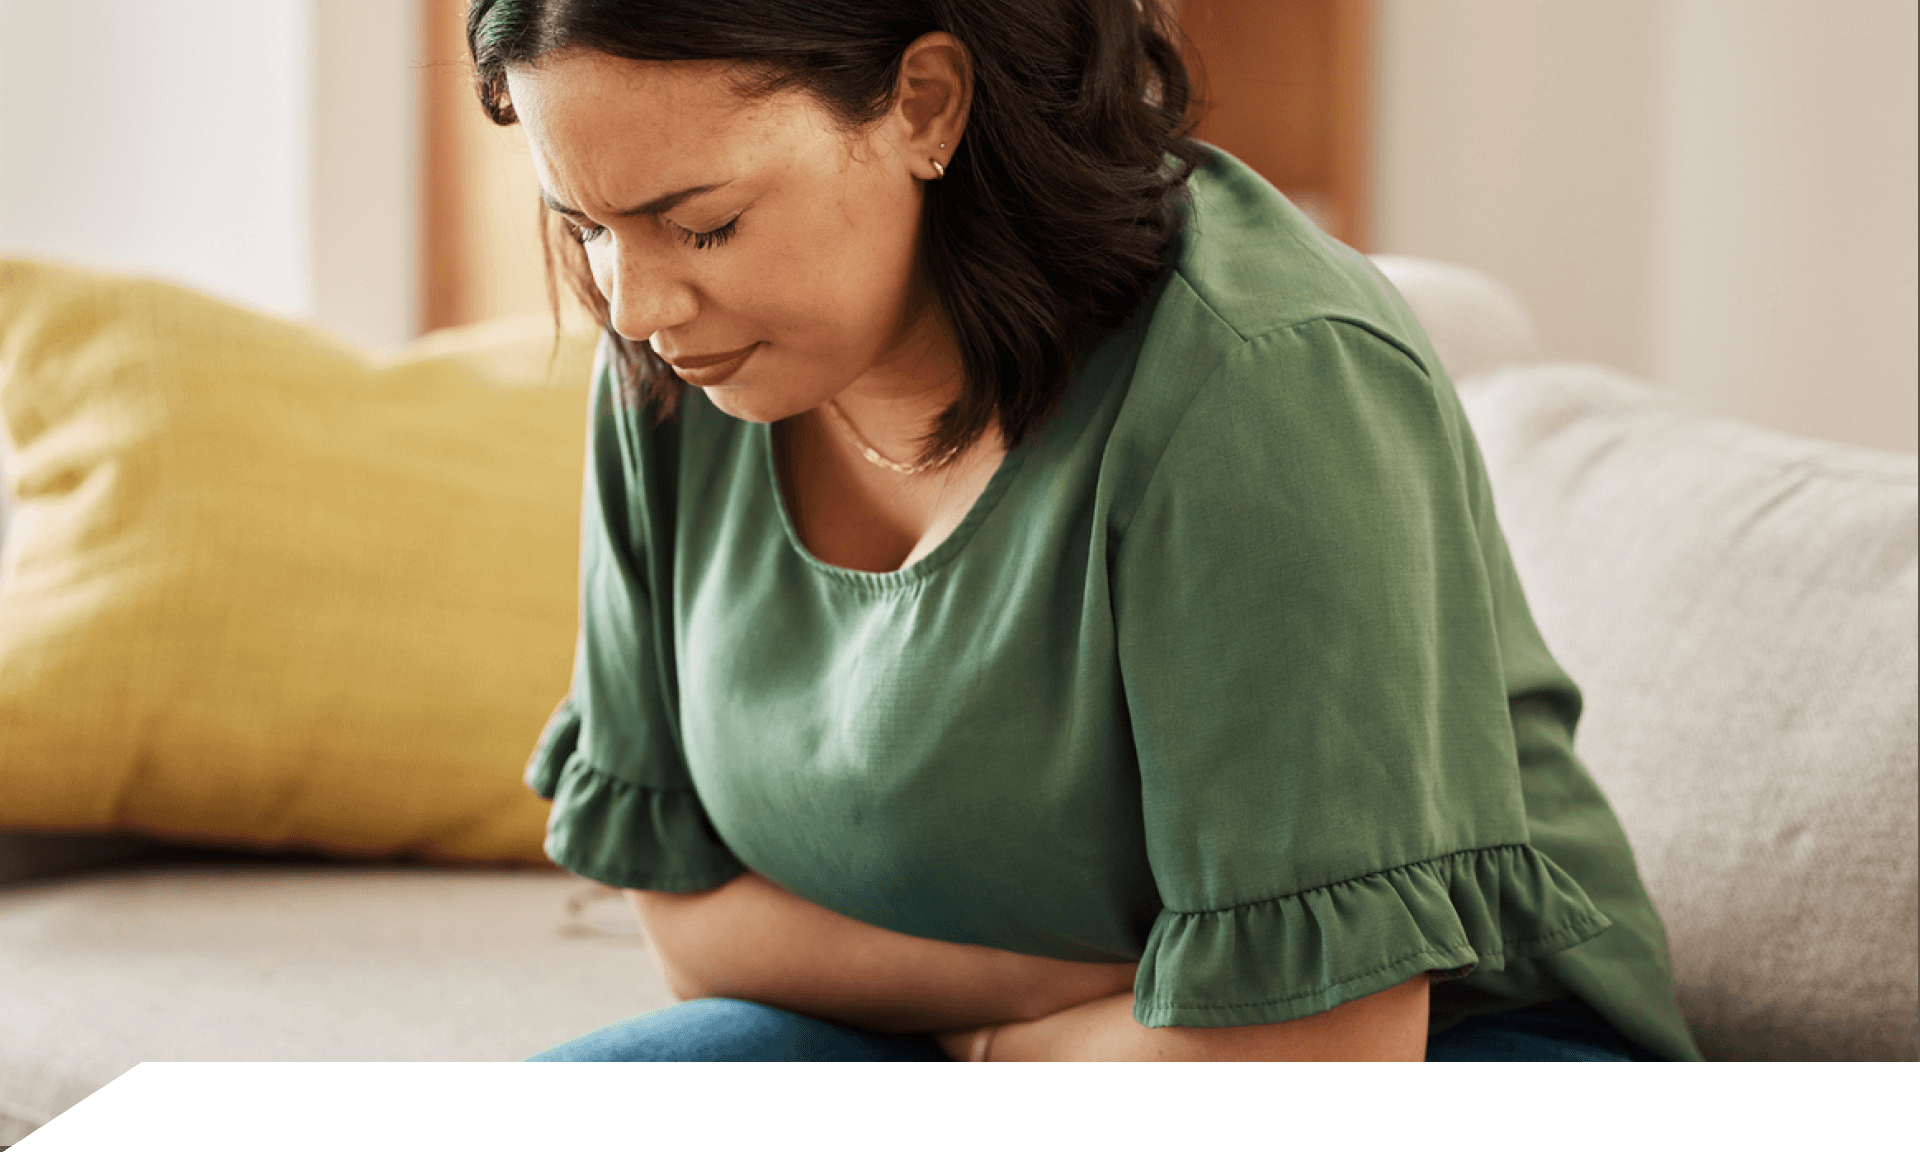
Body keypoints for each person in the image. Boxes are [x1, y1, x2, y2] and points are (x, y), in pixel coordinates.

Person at [467, 0, 1702, 1062]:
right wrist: (1009, 1027)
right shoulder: (677, 371)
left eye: (703, 225)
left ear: (926, 103)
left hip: (1443, 1058)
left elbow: (1324, 1062)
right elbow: (688, 923)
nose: (632, 303)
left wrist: (983, 1048)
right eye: (584, 225)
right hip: (1000, 1041)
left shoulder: (1261, 383)